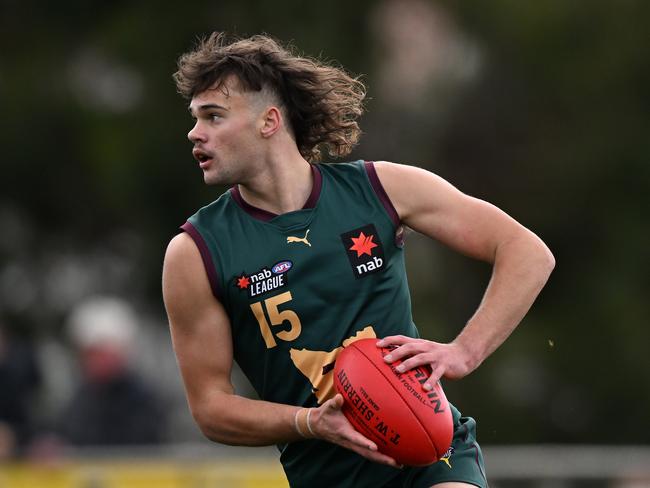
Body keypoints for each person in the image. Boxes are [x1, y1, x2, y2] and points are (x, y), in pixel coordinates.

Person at [162, 33, 554, 488]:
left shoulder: (381, 189)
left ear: (269, 121)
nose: (195, 132)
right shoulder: (196, 252)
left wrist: (464, 351)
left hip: (430, 453)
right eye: (195, 119)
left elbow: (526, 252)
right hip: (326, 475)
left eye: (213, 116)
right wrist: (311, 422)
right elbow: (211, 409)